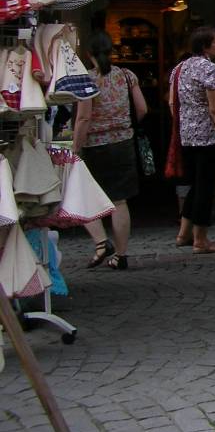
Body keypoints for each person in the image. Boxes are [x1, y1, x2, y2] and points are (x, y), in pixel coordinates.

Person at [74, 31, 148, 270]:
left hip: (95, 144)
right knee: (119, 200)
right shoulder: (127, 75)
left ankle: (101, 242)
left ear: (88, 54)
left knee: (85, 196)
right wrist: (124, 125)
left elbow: (84, 118)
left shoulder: (86, 80)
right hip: (123, 142)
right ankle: (121, 255)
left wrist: (76, 146)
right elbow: (142, 109)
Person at [170, 27, 215, 253]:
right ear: (205, 46)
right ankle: (200, 239)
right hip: (208, 136)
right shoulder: (209, 69)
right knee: (206, 187)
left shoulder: (180, 68)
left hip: (188, 136)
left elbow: (172, 103)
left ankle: (183, 233)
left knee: (196, 185)